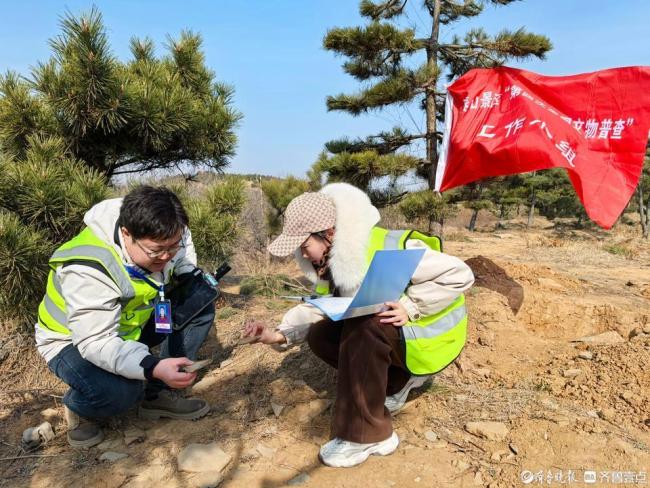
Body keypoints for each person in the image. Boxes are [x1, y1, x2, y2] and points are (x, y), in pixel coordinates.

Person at [242, 183, 474, 468]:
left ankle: (367, 435)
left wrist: (411, 307)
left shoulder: (387, 246)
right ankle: (398, 382)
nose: (303, 256)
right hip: (400, 338)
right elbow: (319, 308)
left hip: (430, 339)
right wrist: (276, 334)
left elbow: (461, 274)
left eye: (305, 247)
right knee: (322, 335)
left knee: (364, 324)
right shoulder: (334, 263)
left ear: (329, 234)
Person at [35, 186, 215, 448]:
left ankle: (157, 396)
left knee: (198, 303)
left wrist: (188, 274)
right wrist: (152, 366)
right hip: (73, 340)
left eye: (173, 247)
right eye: (157, 251)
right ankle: (80, 408)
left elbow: (179, 253)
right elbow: (96, 341)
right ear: (126, 233)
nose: (166, 257)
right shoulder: (88, 266)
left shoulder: (166, 232)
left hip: (127, 326)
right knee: (122, 393)